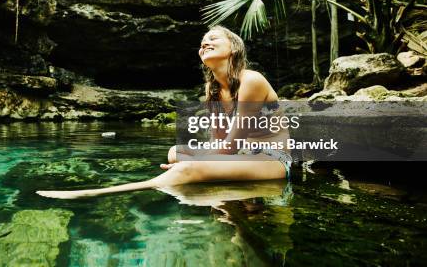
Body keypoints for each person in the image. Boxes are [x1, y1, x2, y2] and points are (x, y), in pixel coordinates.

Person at [37, 26, 292, 200]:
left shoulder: (251, 80)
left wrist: (197, 162)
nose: (205, 43)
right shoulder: (212, 89)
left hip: (270, 159)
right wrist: (199, 155)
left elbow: (230, 146)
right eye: (203, 42)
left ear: (234, 49)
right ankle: (190, 174)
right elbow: (219, 141)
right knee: (174, 152)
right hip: (239, 155)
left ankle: (94, 193)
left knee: (185, 169)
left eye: (214, 39)